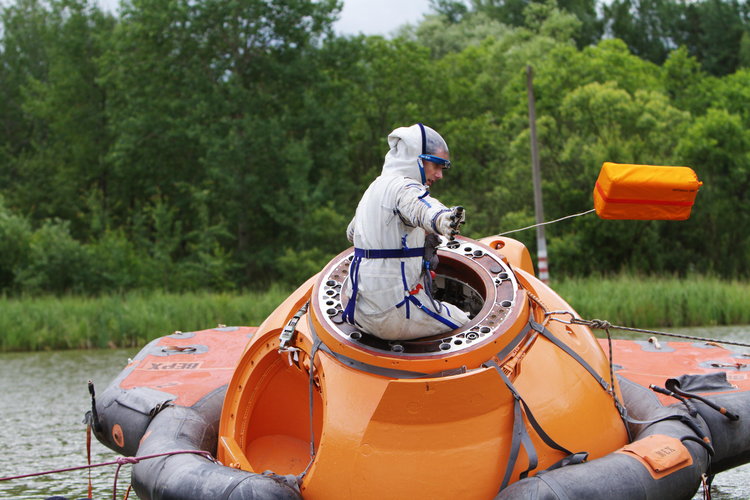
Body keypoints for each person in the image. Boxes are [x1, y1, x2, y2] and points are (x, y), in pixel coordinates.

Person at [342, 123, 470, 341]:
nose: (439, 175)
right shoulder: (404, 188)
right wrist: (444, 219)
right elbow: (421, 207)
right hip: (394, 312)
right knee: (465, 323)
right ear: (416, 160)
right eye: (435, 166)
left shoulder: (374, 188)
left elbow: (352, 233)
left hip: (359, 311)